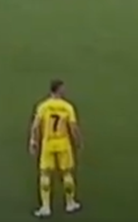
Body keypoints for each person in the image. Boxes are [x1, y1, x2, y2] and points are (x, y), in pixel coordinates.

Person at [29, 79, 82, 218]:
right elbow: (73, 127)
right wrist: (78, 141)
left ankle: (46, 207)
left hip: (48, 143)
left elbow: (35, 125)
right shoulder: (67, 107)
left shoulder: (43, 106)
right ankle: (70, 203)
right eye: (63, 88)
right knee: (67, 174)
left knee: (45, 174)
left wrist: (33, 140)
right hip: (63, 143)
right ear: (59, 90)